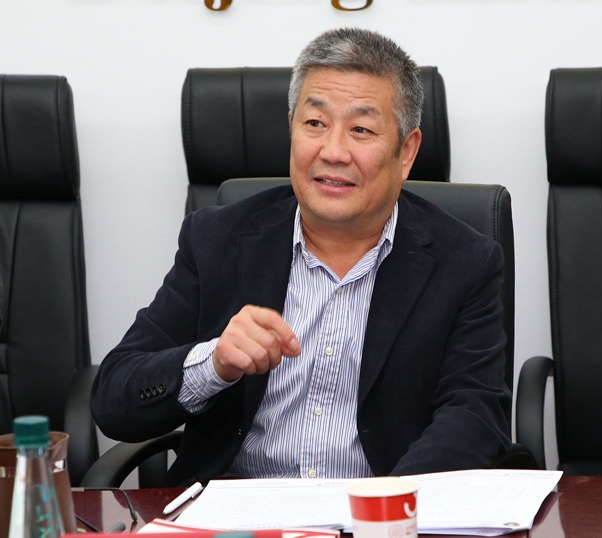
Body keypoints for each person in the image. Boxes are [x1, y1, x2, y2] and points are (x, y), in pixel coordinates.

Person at [91, 28, 511, 486]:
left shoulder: (464, 262)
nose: (333, 152)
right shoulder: (217, 239)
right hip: (233, 514)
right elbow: (114, 399)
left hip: (379, 512)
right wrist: (213, 363)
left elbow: (473, 417)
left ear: (406, 151)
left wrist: (385, 506)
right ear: (291, 127)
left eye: (361, 130)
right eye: (315, 123)